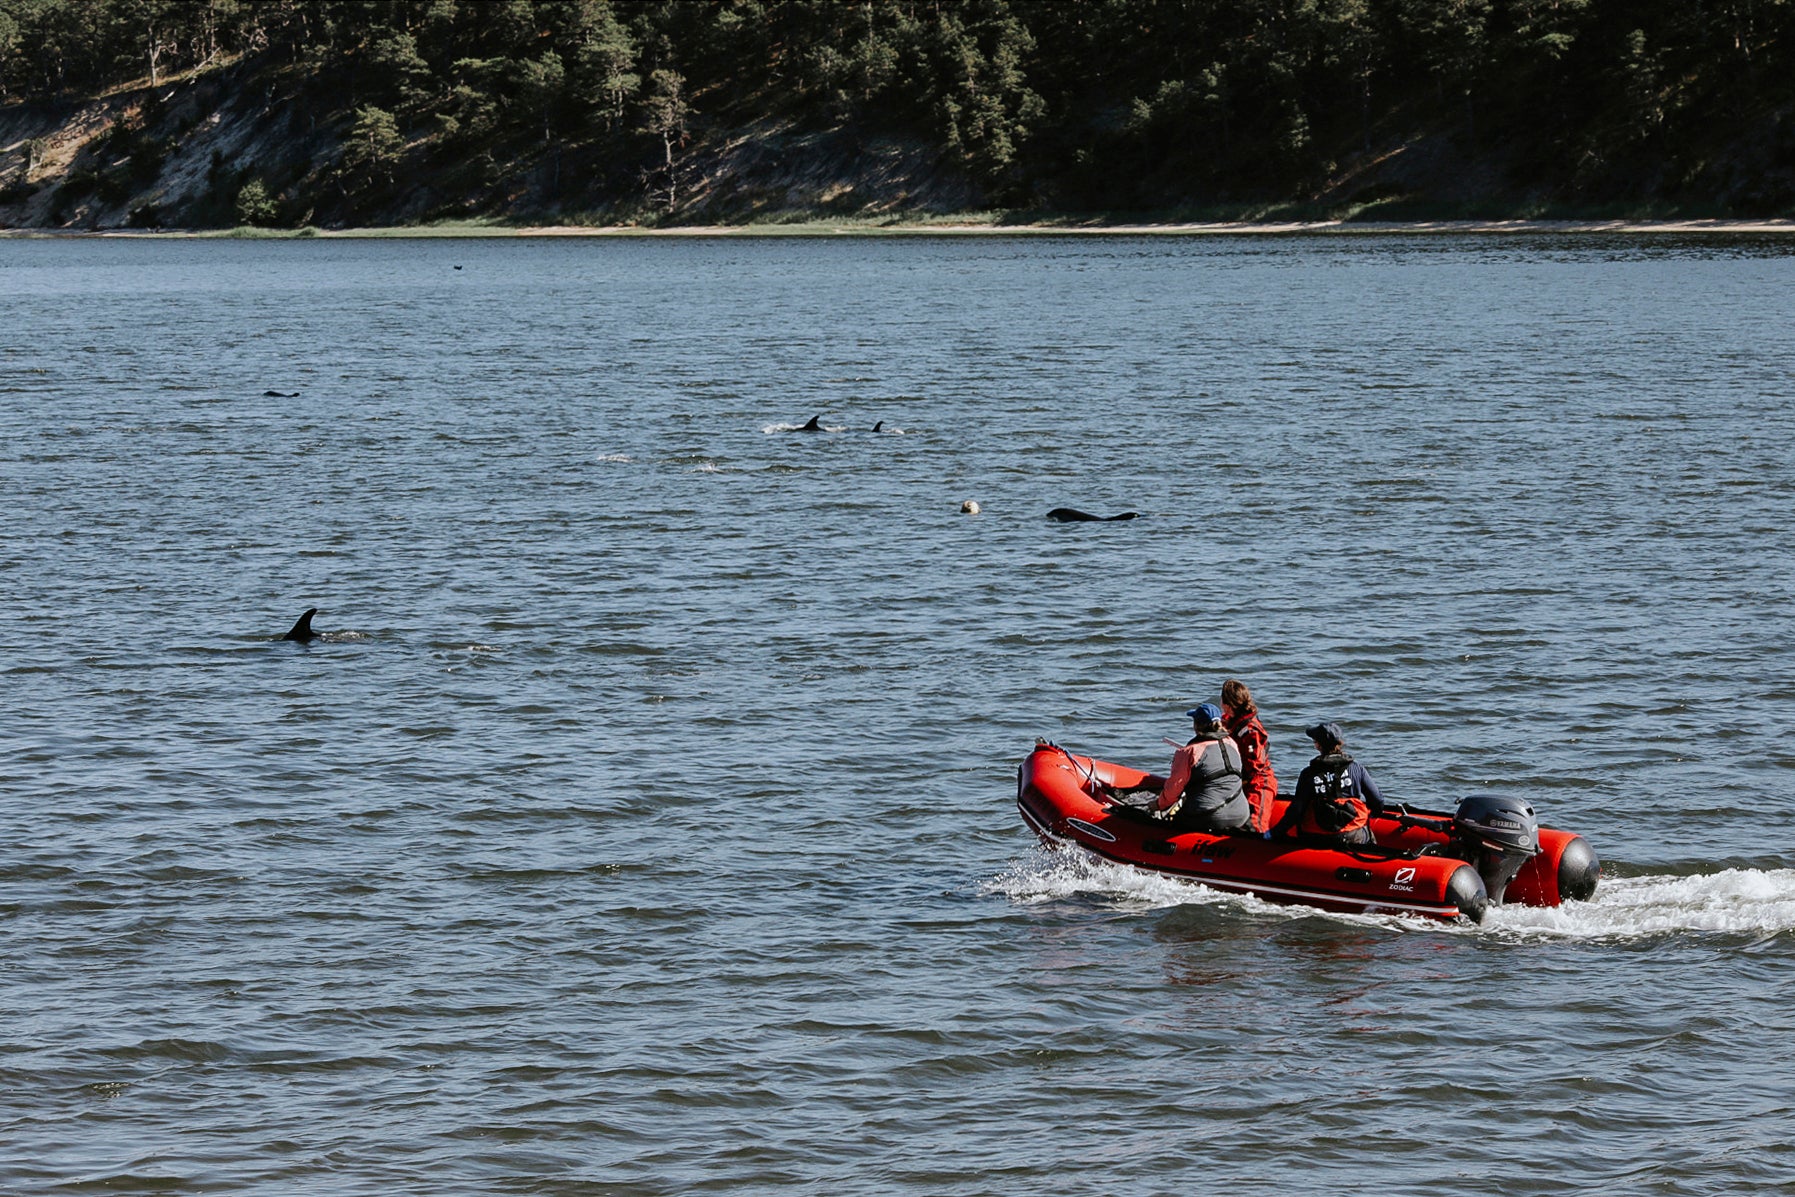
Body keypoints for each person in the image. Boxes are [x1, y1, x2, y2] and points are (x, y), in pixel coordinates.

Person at [1143, 702, 1252, 833]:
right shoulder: (1231, 743)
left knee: (1167, 821)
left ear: (1196, 725)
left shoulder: (1189, 752)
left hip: (1208, 816)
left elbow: (1173, 789)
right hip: (1241, 814)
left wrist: (1157, 805)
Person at [1274, 721, 1385, 846]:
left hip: (1316, 837)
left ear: (1318, 746)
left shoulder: (1308, 773)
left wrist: (1275, 833)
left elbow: (1296, 810)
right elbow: (1378, 801)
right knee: (1368, 833)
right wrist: (1372, 816)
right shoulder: (1357, 769)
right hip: (1352, 835)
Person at [1220, 679, 1277, 834]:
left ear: (1228, 704)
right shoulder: (1229, 723)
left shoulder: (1251, 731)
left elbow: (1255, 766)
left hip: (1258, 782)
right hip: (1236, 780)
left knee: (1254, 827)